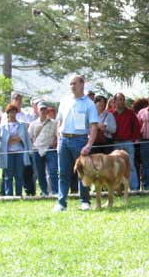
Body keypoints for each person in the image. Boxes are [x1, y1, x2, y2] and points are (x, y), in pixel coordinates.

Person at [53, 75, 99, 212]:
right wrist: (58, 140)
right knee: (63, 173)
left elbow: (94, 126)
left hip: (80, 140)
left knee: (83, 172)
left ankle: (85, 201)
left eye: (74, 83)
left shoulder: (89, 103)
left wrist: (89, 144)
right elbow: (59, 122)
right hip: (64, 140)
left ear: (82, 85)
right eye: (70, 84)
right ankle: (61, 203)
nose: (72, 86)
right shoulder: (64, 101)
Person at [0, 104, 32, 196]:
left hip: (20, 152)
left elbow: (24, 138)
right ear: (7, 113)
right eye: (11, 112)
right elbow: (3, 140)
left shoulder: (21, 125)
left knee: (19, 175)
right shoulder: (2, 126)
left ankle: (18, 194)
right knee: (8, 176)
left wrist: (13, 139)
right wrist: (13, 139)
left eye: (14, 111)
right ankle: (9, 195)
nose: (13, 114)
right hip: (7, 153)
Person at [110, 93, 141, 191]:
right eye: (119, 99)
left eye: (123, 99)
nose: (121, 101)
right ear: (114, 102)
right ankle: (117, 188)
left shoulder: (130, 113)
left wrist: (134, 138)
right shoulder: (110, 113)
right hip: (115, 143)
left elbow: (136, 127)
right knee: (116, 166)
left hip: (128, 143)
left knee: (130, 165)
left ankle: (134, 188)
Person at [28, 101, 58, 196]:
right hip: (37, 150)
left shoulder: (54, 123)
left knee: (53, 171)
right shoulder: (33, 124)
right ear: (38, 110)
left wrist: (55, 143)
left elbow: (57, 135)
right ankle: (44, 191)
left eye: (45, 109)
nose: (43, 111)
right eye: (41, 109)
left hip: (49, 149)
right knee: (40, 173)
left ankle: (55, 191)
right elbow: (30, 137)